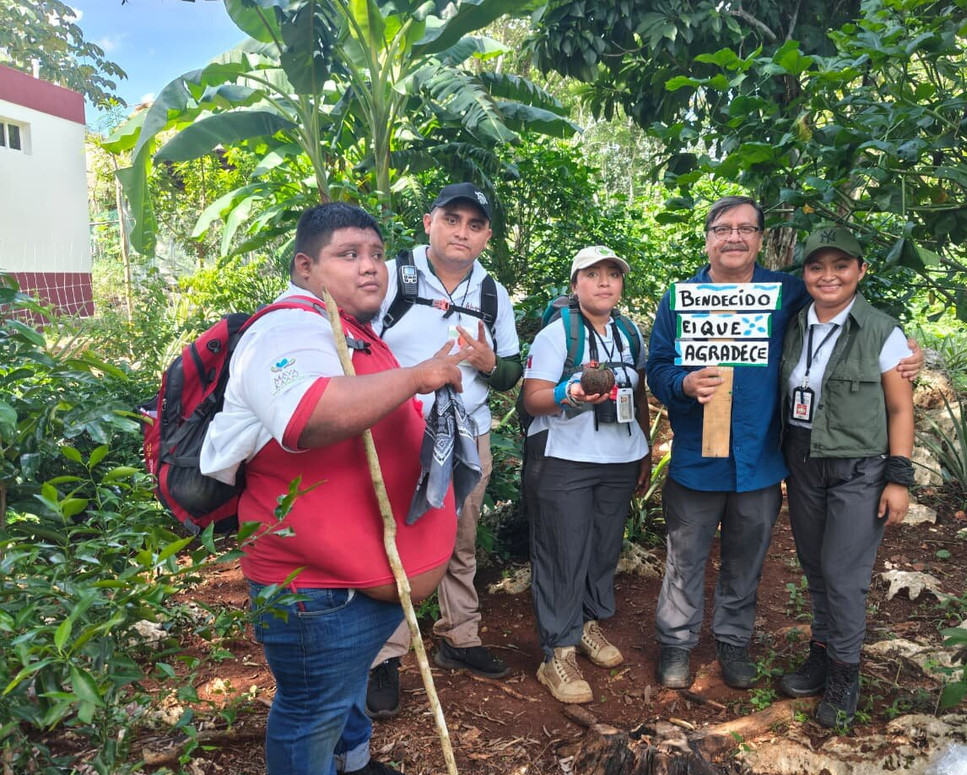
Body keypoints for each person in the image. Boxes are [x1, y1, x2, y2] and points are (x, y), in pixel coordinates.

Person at [200, 203, 461, 775]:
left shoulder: (345, 330)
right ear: (305, 265)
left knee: (339, 691)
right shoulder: (285, 331)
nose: (370, 267)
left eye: (375, 254)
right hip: (316, 590)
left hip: (357, 586)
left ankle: (352, 761)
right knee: (309, 713)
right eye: (348, 255)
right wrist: (420, 375)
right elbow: (307, 414)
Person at [646, 196, 922, 691]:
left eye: (746, 228)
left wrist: (902, 353)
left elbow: (842, 313)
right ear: (707, 237)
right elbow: (658, 366)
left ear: (759, 239)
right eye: (723, 228)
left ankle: (733, 641)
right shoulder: (680, 297)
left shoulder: (786, 292)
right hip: (697, 457)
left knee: (746, 557)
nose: (734, 237)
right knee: (685, 556)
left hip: (762, 459)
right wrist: (683, 385)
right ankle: (677, 643)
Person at [366, 182, 522, 718]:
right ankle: (383, 658)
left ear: (487, 236)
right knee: (392, 540)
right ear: (430, 221)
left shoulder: (491, 293)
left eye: (475, 225)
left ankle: (460, 635)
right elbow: (349, 342)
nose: (462, 232)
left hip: (468, 431)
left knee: (461, 537)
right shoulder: (389, 276)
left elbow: (510, 372)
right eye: (453, 219)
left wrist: (484, 362)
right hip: (397, 430)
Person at [776, 225, 914, 728]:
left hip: (861, 466)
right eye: (816, 267)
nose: (828, 276)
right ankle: (821, 651)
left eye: (840, 266)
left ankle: (844, 673)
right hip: (804, 458)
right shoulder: (793, 325)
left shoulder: (882, 330)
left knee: (844, 572)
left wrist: (898, 477)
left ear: (860, 270)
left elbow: (900, 409)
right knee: (814, 564)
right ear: (805, 274)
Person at [521, 246, 651, 703]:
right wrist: (569, 392)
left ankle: (587, 625)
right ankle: (557, 651)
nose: (604, 283)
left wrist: (645, 452)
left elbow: (637, 394)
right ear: (575, 285)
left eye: (613, 275)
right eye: (592, 275)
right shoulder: (558, 336)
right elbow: (532, 398)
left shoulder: (629, 333)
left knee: (602, 547)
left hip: (619, 458)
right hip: (565, 459)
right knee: (562, 549)